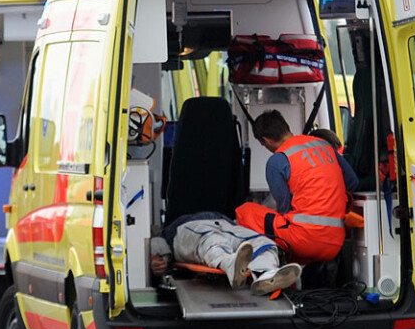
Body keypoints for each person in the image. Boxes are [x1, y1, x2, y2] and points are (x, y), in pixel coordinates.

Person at [236, 110, 359, 265]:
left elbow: (284, 207)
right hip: (335, 241)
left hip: (306, 239)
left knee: (245, 211)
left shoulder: (277, 161)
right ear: (286, 128)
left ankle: (265, 266)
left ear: (266, 141)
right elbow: (352, 182)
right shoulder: (323, 145)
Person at [150, 212, 301, 295]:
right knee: (211, 240)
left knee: (264, 243)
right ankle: (230, 264)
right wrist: (158, 259)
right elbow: (156, 241)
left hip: (228, 225)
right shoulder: (169, 230)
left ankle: (265, 274)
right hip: (190, 227)